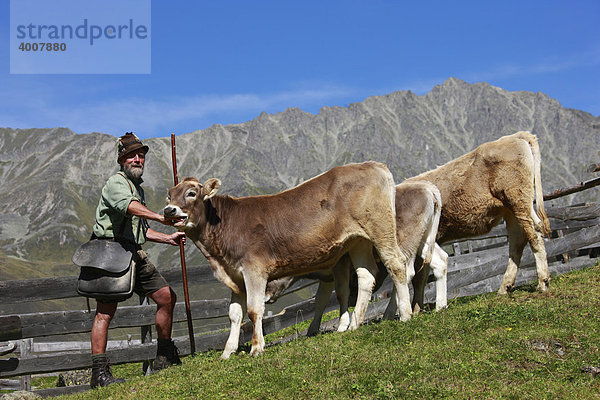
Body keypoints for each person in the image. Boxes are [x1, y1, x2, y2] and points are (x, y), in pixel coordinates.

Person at [89, 132, 186, 388]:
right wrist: (160, 216)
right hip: (110, 252)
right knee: (104, 313)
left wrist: (169, 238)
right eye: (131, 155)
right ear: (122, 159)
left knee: (166, 296)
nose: (137, 159)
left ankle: (164, 356)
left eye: (140, 155)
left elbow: (140, 230)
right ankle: (99, 373)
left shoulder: (137, 188)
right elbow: (130, 208)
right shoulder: (117, 183)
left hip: (133, 252)